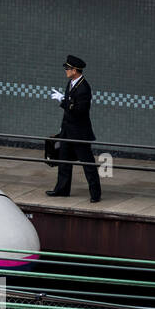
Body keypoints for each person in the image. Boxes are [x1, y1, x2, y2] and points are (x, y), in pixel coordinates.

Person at [46, 54, 102, 203]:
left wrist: (63, 101)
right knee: (63, 161)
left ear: (75, 70)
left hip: (79, 133)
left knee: (87, 164)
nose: (66, 70)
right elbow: (69, 108)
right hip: (67, 130)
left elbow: (79, 110)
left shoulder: (84, 88)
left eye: (68, 68)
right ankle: (62, 189)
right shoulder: (71, 83)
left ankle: (95, 193)